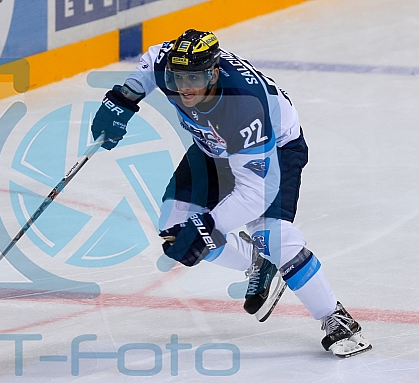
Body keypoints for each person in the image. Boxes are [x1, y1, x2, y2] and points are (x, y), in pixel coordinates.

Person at [91, 29, 371, 358]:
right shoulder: (171, 69)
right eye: (179, 77)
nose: (185, 87)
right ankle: (255, 261)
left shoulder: (242, 107)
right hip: (212, 148)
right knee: (177, 233)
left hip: (275, 149)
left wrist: (210, 224)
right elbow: (154, 58)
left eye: (194, 77)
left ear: (213, 70)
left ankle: (334, 317)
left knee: (271, 236)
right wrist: (123, 99)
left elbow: (254, 193)